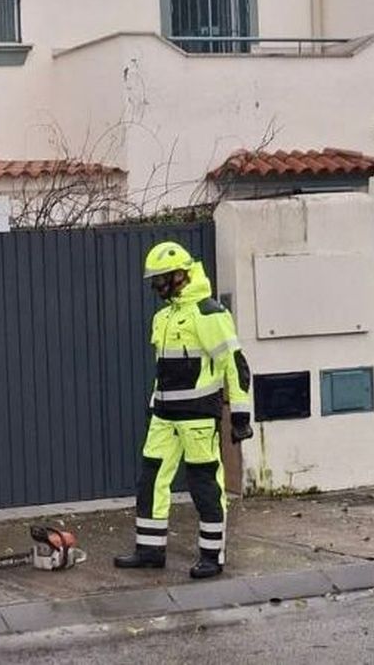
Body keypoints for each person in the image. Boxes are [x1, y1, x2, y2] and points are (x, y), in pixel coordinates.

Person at [114, 242, 253, 580]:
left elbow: (235, 366)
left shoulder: (210, 314)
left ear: (180, 275)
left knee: (204, 484)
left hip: (197, 419)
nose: (156, 287)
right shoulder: (163, 317)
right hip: (164, 416)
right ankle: (149, 550)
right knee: (150, 480)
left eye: (161, 279)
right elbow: (164, 371)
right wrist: (154, 405)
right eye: (155, 280)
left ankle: (212, 556)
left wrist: (240, 415)